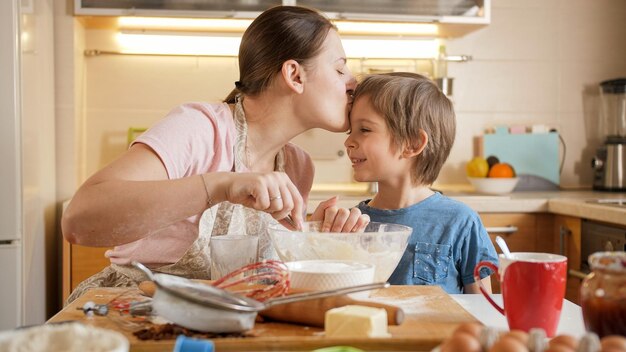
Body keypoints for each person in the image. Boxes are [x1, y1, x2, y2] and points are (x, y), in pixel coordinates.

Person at [62, 6, 370, 303]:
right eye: (340, 68)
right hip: (134, 311)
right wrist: (219, 186)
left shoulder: (298, 165)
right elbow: (78, 220)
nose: (352, 82)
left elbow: (255, 278)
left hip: (221, 318)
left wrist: (310, 239)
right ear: (295, 75)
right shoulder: (198, 128)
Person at [344, 72, 497, 294]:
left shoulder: (460, 222)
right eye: (350, 131)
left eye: (364, 129)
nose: (348, 141)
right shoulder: (353, 224)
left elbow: (482, 309)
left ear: (413, 143)